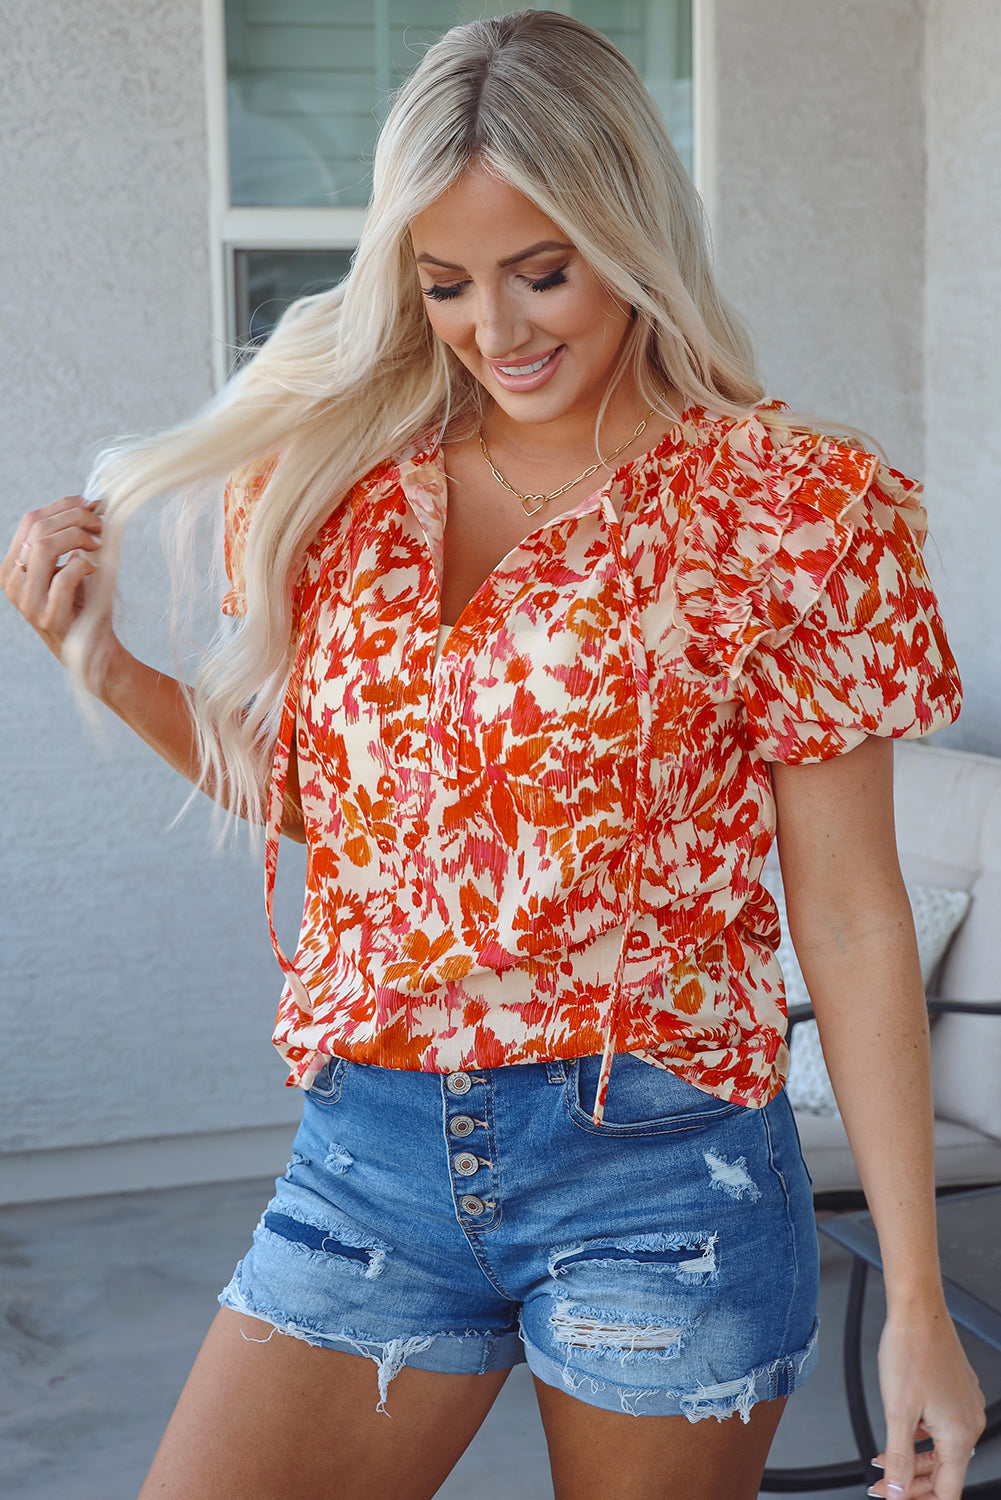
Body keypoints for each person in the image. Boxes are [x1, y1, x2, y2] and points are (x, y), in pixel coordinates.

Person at [2, 11, 986, 1499]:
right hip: (369, 1152)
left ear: (632, 235)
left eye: (544, 271)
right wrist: (109, 672)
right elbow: (338, 815)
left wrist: (914, 1302)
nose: (497, 331)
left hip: (661, 1170)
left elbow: (849, 916)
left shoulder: (792, 509)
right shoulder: (333, 476)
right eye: (445, 282)